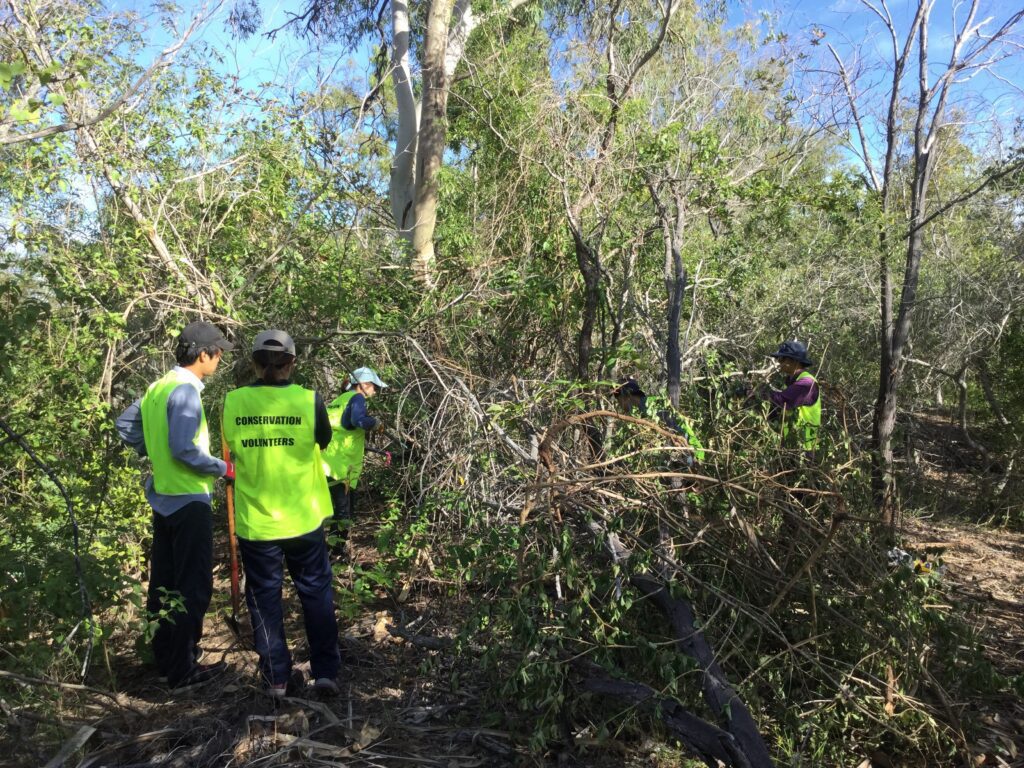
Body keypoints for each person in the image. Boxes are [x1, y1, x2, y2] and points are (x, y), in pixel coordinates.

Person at [222, 330, 340, 698]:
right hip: (303, 516)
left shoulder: (233, 402)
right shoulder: (310, 401)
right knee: (315, 593)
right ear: (291, 363)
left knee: (264, 598)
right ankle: (325, 674)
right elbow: (323, 440)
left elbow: (233, 448)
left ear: (254, 364)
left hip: (257, 522)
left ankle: (275, 678)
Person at [115, 320, 233, 689]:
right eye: (218, 353)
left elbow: (125, 425)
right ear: (203, 355)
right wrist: (223, 468)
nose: (220, 359)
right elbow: (184, 450)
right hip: (187, 499)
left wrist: (152, 449)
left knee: (164, 583)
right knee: (193, 585)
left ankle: (166, 661)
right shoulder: (184, 391)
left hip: (164, 499)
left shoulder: (158, 387)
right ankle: (184, 669)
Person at [320, 367, 388, 553]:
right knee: (345, 512)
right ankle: (336, 552)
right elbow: (358, 421)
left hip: (326, 463)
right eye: (374, 386)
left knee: (335, 509)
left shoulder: (338, 401)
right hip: (342, 467)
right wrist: (374, 423)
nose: (375, 391)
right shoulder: (357, 398)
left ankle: (330, 548)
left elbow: (342, 429)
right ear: (364, 385)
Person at [611, 378, 704, 466]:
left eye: (619, 401)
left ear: (627, 396)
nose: (621, 406)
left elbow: (675, 431)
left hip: (691, 452)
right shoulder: (642, 410)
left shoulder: (652, 406)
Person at [757, 340, 821, 456]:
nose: (779, 362)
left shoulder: (807, 383)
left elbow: (782, 400)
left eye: (782, 359)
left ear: (794, 361)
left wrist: (757, 394)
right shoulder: (793, 382)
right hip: (791, 446)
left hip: (804, 451)